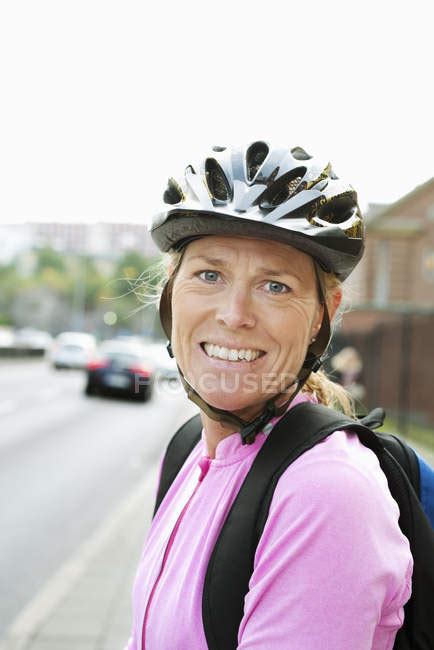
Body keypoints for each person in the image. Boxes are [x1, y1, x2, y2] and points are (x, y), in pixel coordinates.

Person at [125, 141, 413, 649]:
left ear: (324, 312)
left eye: (275, 286)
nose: (235, 314)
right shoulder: (190, 450)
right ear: (172, 290)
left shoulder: (326, 493)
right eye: (209, 275)